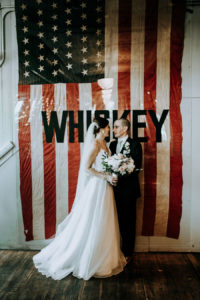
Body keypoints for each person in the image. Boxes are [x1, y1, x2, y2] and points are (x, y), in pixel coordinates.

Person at [33, 117, 126, 281]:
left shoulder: (106, 144)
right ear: (100, 129)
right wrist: (105, 176)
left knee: (105, 220)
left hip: (106, 188)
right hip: (97, 187)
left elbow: (106, 164)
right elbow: (86, 168)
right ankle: (89, 259)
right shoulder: (95, 145)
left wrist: (112, 174)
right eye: (107, 127)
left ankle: (105, 258)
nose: (109, 129)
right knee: (94, 220)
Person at [110, 118, 142, 263]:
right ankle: (114, 251)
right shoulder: (112, 144)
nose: (113, 130)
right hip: (112, 189)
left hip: (128, 190)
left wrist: (119, 174)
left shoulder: (135, 144)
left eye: (116, 127)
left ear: (124, 129)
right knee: (114, 221)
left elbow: (135, 167)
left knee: (128, 221)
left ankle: (128, 252)